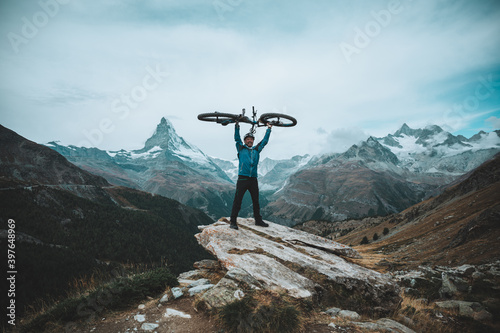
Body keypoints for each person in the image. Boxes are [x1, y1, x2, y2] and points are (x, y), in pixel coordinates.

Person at [229, 121, 272, 230]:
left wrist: (269, 129)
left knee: (256, 201)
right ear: (244, 141)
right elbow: (236, 138)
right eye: (248, 139)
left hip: (253, 179)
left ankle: (258, 220)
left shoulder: (256, 150)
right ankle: (233, 222)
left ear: (253, 141)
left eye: (251, 139)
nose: (250, 140)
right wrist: (237, 126)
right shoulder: (241, 148)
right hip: (242, 178)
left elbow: (265, 141)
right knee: (237, 201)